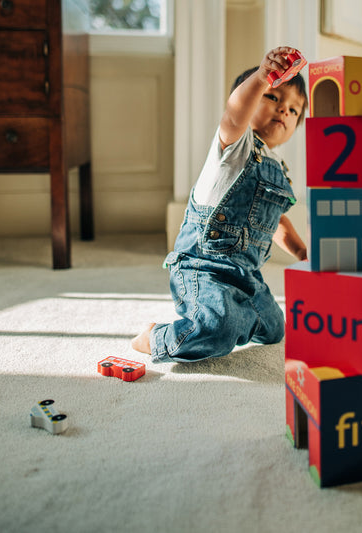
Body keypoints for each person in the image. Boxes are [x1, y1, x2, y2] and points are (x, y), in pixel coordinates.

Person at [132, 46, 308, 362]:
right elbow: (234, 113)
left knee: (275, 328)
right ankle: (155, 337)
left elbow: (275, 221)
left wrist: (302, 252)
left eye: (294, 110)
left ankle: (233, 312)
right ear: (250, 98)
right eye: (273, 97)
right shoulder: (235, 144)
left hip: (246, 274)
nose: (284, 110)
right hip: (203, 267)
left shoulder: (279, 169)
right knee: (217, 328)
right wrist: (262, 77)